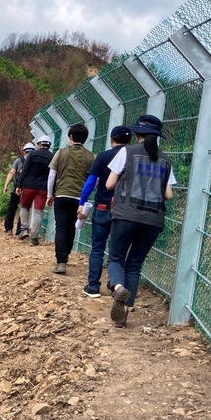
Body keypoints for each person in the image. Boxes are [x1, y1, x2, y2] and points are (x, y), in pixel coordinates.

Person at [104, 115, 175, 328]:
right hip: (153, 219)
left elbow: (109, 184)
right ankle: (124, 313)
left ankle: (118, 289)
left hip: (126, 215)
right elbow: (168, 195)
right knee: (134, 264)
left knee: (116, 258)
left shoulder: (127, 152)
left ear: (137, 135)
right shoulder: (165, 160)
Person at [76, 125, 133, 297]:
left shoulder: (103, 156)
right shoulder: (134, 157)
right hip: (125, 209)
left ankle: (93, 286)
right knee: (119, 250)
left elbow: (91, 182)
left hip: (102, 207)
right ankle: (116, 282)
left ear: (111, 139)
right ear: (130, 141)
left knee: (97, 247)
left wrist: (82, 202)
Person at [46, 124, 96, 274]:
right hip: (79, 198)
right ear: (85, 139)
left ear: (71, 137)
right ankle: (66, 255)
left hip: (61, 195)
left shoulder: (61, 153)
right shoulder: (91, 156)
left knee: (61, 227)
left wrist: (50, 195)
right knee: (71, 228)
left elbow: (51, 176)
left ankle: (61, 262)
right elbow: (95, 180)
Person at [16, 135, 54, 245]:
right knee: (38, 212)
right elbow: (54, 175)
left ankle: (24, 229)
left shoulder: (32, 154)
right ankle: (34, 238)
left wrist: (19, 185)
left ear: (39, 144)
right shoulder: (52, 157)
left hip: (29, 186)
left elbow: (25, 170)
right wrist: (52, 192)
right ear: (49, 145)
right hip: (43, 188)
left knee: (24, 206)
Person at [3, 143, 36, 235]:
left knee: (11, 208)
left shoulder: (19, 160)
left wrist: (6, 185)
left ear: (24, 151)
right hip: (28, 190)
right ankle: (20, 232)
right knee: (24, 209)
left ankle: (8, 229)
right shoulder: (35, 162)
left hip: (16, 189)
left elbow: (11, 172)